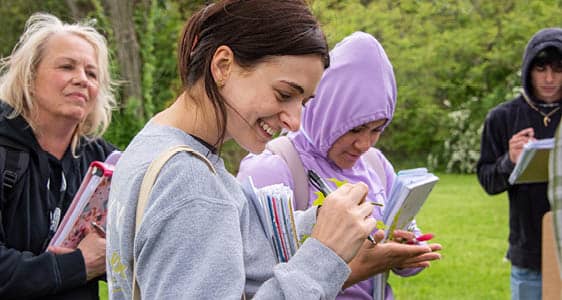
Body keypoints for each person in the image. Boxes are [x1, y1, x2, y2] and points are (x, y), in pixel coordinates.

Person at [106, 1, 379, 299]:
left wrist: (321, 223)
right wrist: (324, 255)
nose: (295, 121)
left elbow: (231, 241)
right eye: (284, 94)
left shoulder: (157, 143)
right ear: (223, 65)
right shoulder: (191, 183)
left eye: (304, 102)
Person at [237, 31, 442, 300]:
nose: (365, 144)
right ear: (327, 111)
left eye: (377, 129)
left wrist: (404, 255)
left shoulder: (376, 163)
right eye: (355, 129)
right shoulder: (272, 167)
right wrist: (359, 268)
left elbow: (402, 234)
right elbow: (254, 285)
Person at [0, 13, 116, 300]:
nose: (81, 80)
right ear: (29, 77)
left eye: (92, 73)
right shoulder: (5, 150)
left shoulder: (104, 160)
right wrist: (76, 265)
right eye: (67, 67)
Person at [477, 27, 562, 300]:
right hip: (529, 254)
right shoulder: (502, 118)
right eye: (540, 69)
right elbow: (488, 181)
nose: (549, 78)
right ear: (527, 70)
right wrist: (510, 161)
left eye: (558, 69)